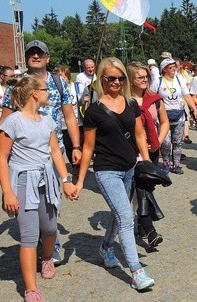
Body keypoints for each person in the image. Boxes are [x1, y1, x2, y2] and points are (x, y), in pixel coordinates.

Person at [0, 40, 82, 264]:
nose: (36, 56)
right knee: (30, 203)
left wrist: (76, 146)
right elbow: (4, 122)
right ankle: (38, 242)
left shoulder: (59, 82)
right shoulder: (18, 84)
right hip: (23, 156)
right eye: (31, 53)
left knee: (52, 200)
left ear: (47, 57)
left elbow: (70, 116)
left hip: (54, 150)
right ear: (27, 57)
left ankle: (51, 242)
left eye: (40, 53)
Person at [75, 57, 155, 290]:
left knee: (118, 212)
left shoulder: (131, 104)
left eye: (121, 78)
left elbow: (139, 134)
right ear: (102, 79)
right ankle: (137, 272)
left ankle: (106, 247)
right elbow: (88, 147)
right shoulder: (94, 111)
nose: (117, 82)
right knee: (126, 217)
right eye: (111, 78)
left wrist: (147, 162)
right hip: (106, 170)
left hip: (129, 168)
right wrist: (80, 181)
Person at [0, 75, 78, 302]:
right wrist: (8, 192)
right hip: (23, 180)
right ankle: (31, 288)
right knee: (29, 235)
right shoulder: (12, 122)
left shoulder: (47, 121)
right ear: (34, 93)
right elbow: (2, 158)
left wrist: (66, 180)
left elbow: (54, 152)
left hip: (48, 179)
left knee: (50, 228)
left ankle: (47, 257)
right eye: (44, 89)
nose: (48, 93)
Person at [127, 61, 169, 247]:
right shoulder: (125, 101)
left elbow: (165, 122)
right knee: (141, 186)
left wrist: (158, 141)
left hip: (152, 149)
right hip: (131, 150)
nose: (145, 80)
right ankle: (149, 229)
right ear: (130, 79)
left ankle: (140, 221)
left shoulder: (155, 99)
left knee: (146, 188)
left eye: (146, 77)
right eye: (140, 77)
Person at [150, 57, 197, 175]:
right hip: (163, 117)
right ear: (164, 69)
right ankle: (166, 163)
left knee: (177, 142)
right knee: (166, 142)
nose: (173, 69)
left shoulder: (179, 79)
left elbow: (186, 95)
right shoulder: (158, 81)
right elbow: (151, 97)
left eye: (174, 67)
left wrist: (194, 109)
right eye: (170, 67)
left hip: (178, 115)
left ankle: (176, 164)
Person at [54, 66, 85, 174]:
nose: (62, 80)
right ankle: (74, 165)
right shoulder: (55, 90)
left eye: (63, 77)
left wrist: (85, 99)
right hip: (63, 124)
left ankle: (81, 163)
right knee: (68, 145)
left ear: (68, 77)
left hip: (78, 122)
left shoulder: (76, 87)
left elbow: (83, 101)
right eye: (59, 78)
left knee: (80, 143)